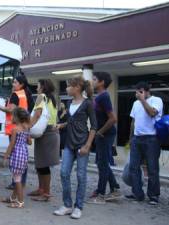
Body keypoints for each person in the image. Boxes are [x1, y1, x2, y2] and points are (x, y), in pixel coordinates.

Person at [54, 76, 97, 219]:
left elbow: (94, 126)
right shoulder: (69, 102)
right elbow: (72, 121)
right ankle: (67, 205)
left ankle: (78, 207)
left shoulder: (88, 103)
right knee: (64, 173)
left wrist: (88, 145)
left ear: (77, 87)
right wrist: (62, 125)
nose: (66, 89)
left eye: (68, 86)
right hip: (69, 143)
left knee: (80, 175)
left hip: (82, 144)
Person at [126, 81, 163, 205]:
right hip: (137, 139)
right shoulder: (135, 103)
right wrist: (130, 139)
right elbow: (133, 122)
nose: (138, 94)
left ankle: (153, 196)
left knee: (152, 168)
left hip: (151, 139)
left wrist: (142, 100)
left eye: (141, 91)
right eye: (137, 92)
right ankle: (137, 193)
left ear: (147, 91)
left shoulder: (157, 100)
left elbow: (152, 113)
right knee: (133, 167)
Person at [0, 74, 34, 189]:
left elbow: (10, 109)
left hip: (15, 129)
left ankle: (16, 183)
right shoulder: (25, 95)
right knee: (23, 156)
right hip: (24, 128)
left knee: (15, 156)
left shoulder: (16, 95)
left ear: (21, 84)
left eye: (15, 82)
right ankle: (21, 182)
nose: (13, 84)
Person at [87, 72, 120, 204]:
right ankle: (115, 189)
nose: (92, 81)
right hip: (102, 134)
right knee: (102, 163)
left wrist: (100, 132)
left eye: (94, 79)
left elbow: (113, 119)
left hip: (106, 134)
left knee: (102, 163)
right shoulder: (99, 96)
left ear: (101, 82)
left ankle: (101, 194)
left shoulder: (104, 96)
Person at [29, 79, 60, 202]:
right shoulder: (52, 99)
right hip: (50, 133)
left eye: (37, 86)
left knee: (43, 165)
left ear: (42, 88)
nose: (36, 89)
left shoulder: (41, 97)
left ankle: (46, 193)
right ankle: (41, 189)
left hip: (46, 133)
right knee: (41, 163)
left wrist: (27, 128)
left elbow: (37, 114)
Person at [0, 107, 31, 208]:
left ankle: (20, 202)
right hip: (24, 155)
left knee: (17, 180)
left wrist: (5, 157)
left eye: (13, 115)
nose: (11, 117)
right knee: (18, 177)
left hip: (17, 155)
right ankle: (13, 198)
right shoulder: (26, 128)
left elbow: (11, 144)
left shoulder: (15, 129)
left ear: (17, 118)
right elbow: (29, 142)